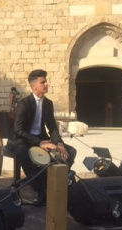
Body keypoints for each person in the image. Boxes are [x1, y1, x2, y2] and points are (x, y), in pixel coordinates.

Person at [11, 69, 77, 206]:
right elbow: (18, 130)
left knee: (70, 152)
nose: (47, 84)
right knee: (23, 152)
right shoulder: (23, 104)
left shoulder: (48, 103)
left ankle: (57, 184)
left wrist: (59, 143)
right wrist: (40, 143)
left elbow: (52, 126)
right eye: (43, 82)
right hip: (23, 140)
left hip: (42, 139)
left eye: (46, 81)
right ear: (34, 86)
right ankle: (41, 191)